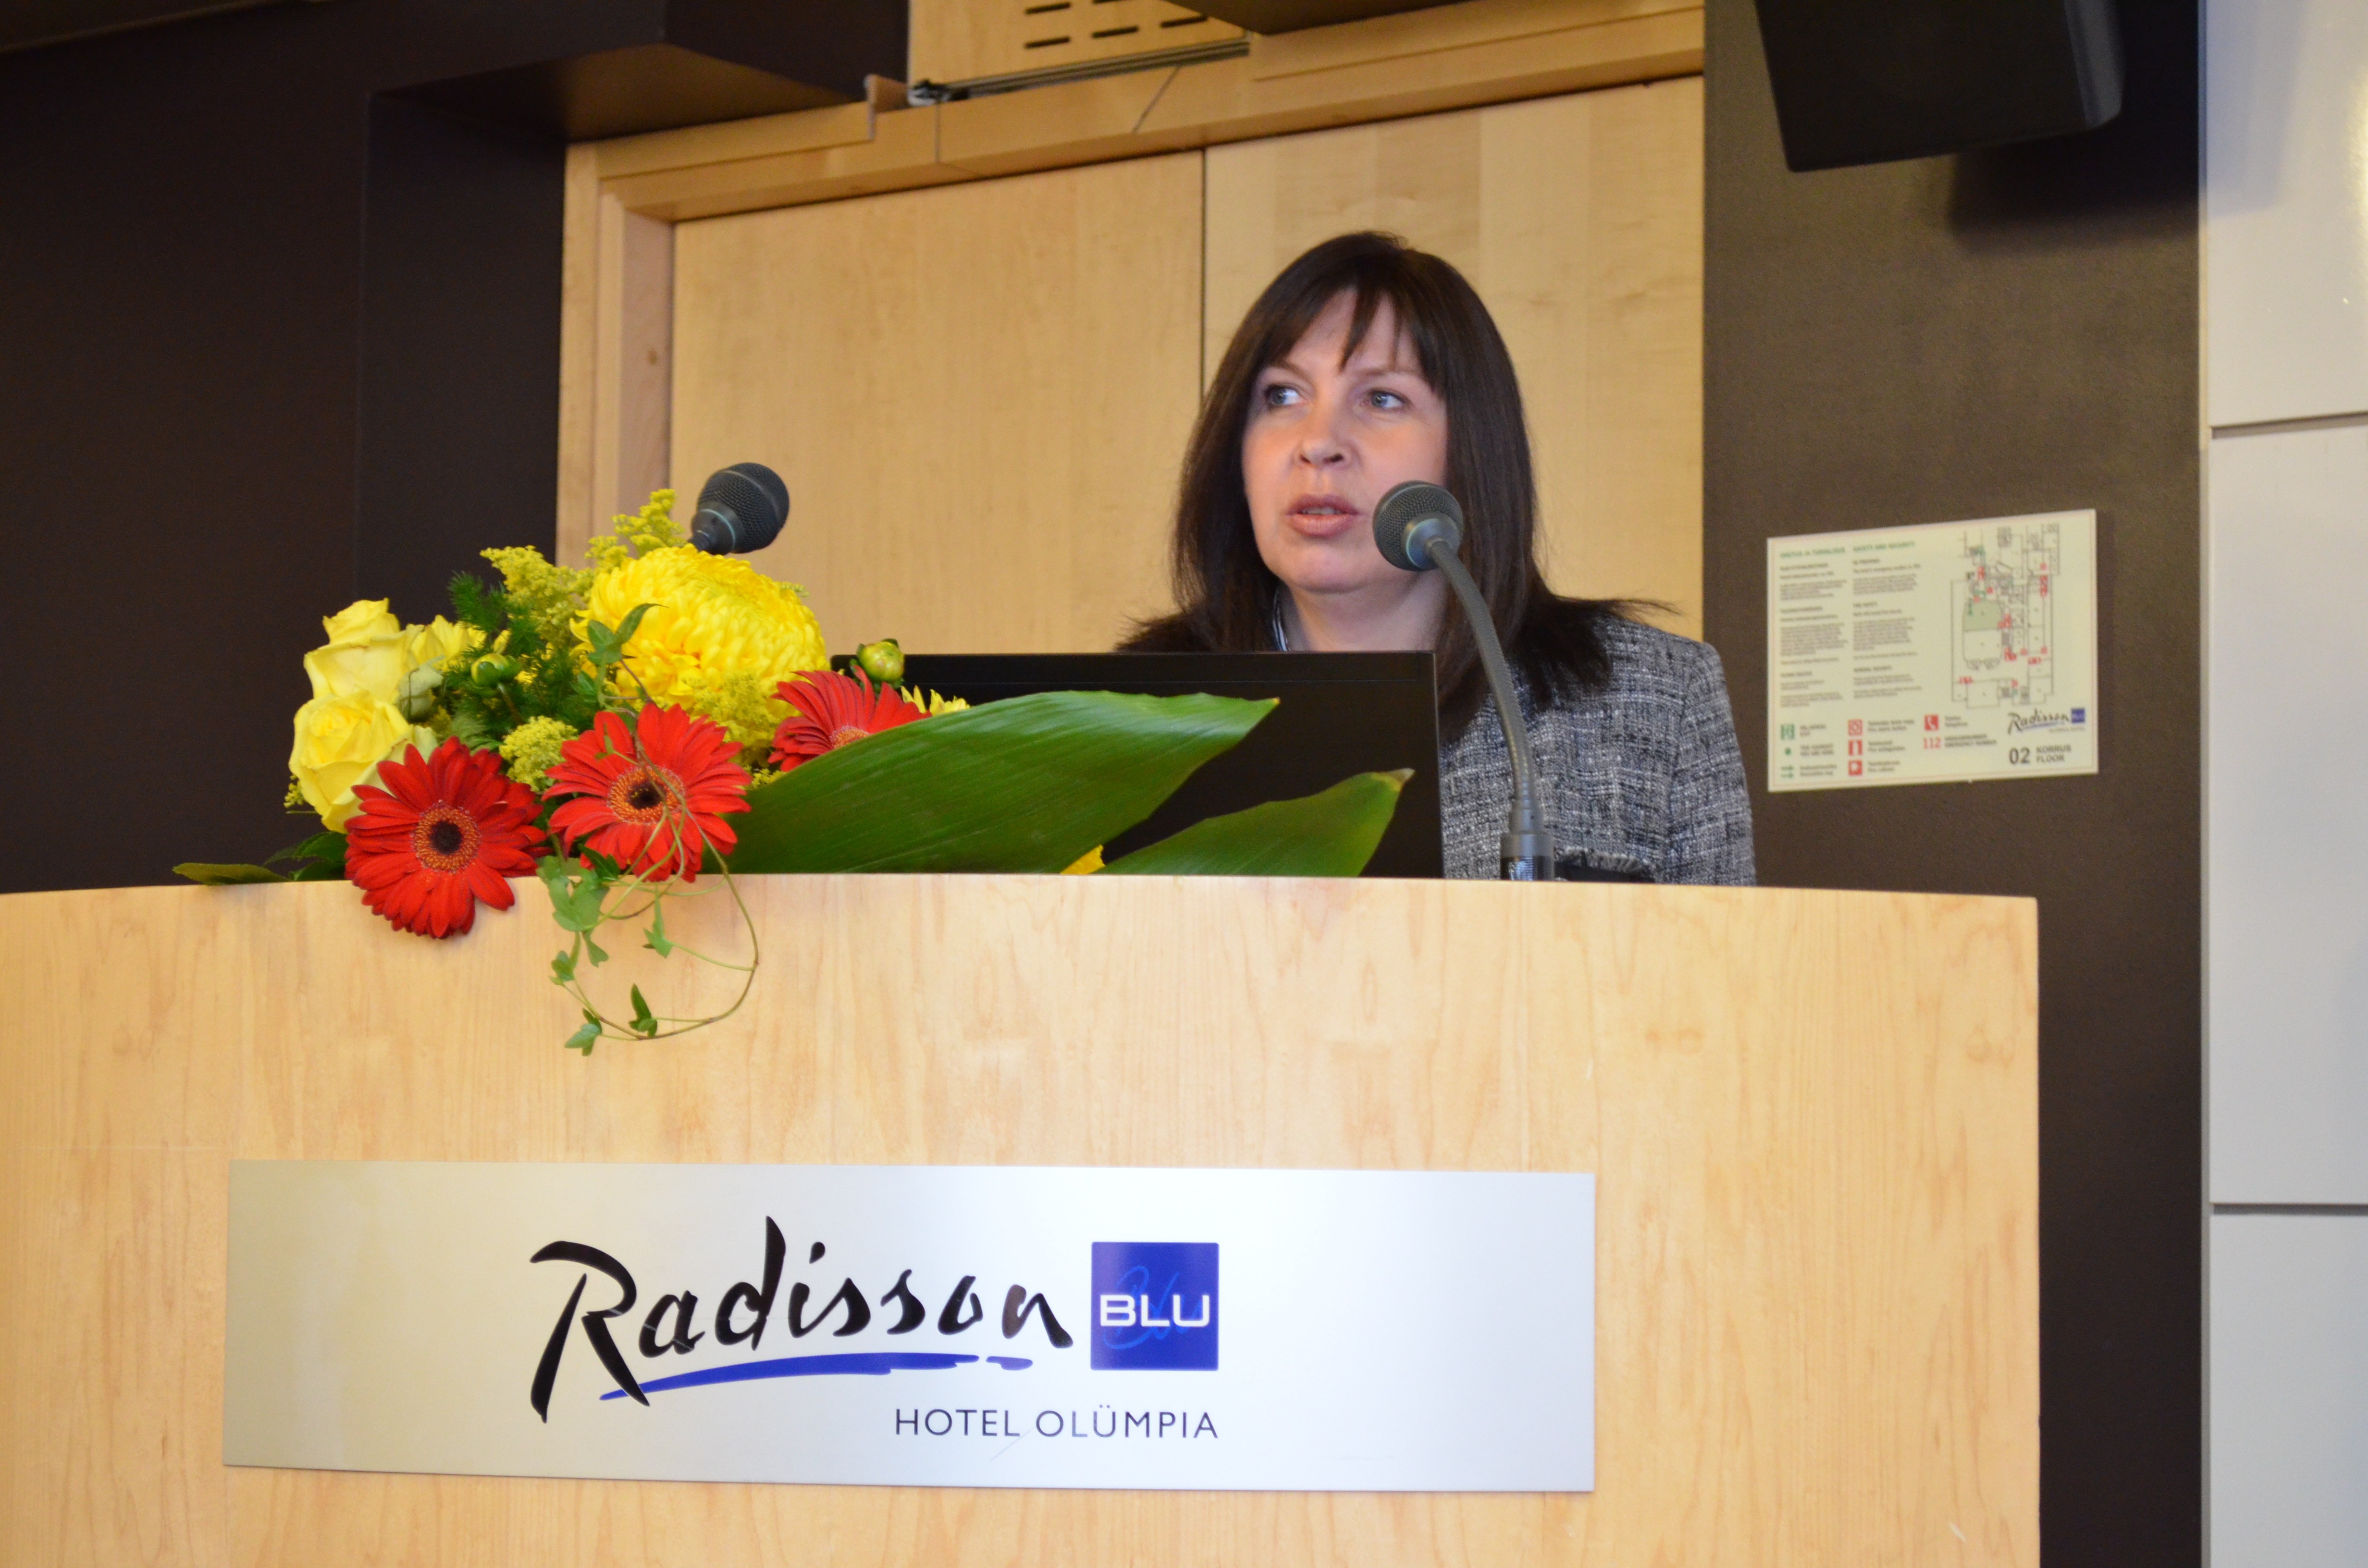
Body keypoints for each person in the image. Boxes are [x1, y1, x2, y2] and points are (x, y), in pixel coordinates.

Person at [1125, 232, 1754, 884]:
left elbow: (1728, 951)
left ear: (1470, 449)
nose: (1318, 443)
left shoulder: (1650, 697)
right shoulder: (1143, 710)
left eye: (1382, 398)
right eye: (1282, 396)